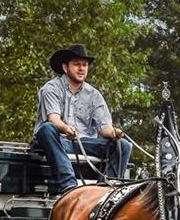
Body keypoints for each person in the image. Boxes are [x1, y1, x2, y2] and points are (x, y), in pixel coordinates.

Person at [32, 43, 132, 194]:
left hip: (83, 143)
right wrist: (66, 129)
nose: (81, 69)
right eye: (76, 64)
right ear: (65, 68)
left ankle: (105, 190)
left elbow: (104, 128)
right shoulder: (51, 88)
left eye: (85, 65)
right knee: (46, 129)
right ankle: (69, 186)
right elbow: (53, 119)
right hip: (58, 140)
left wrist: (113, 132)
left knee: (123, 145)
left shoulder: (94, 95)